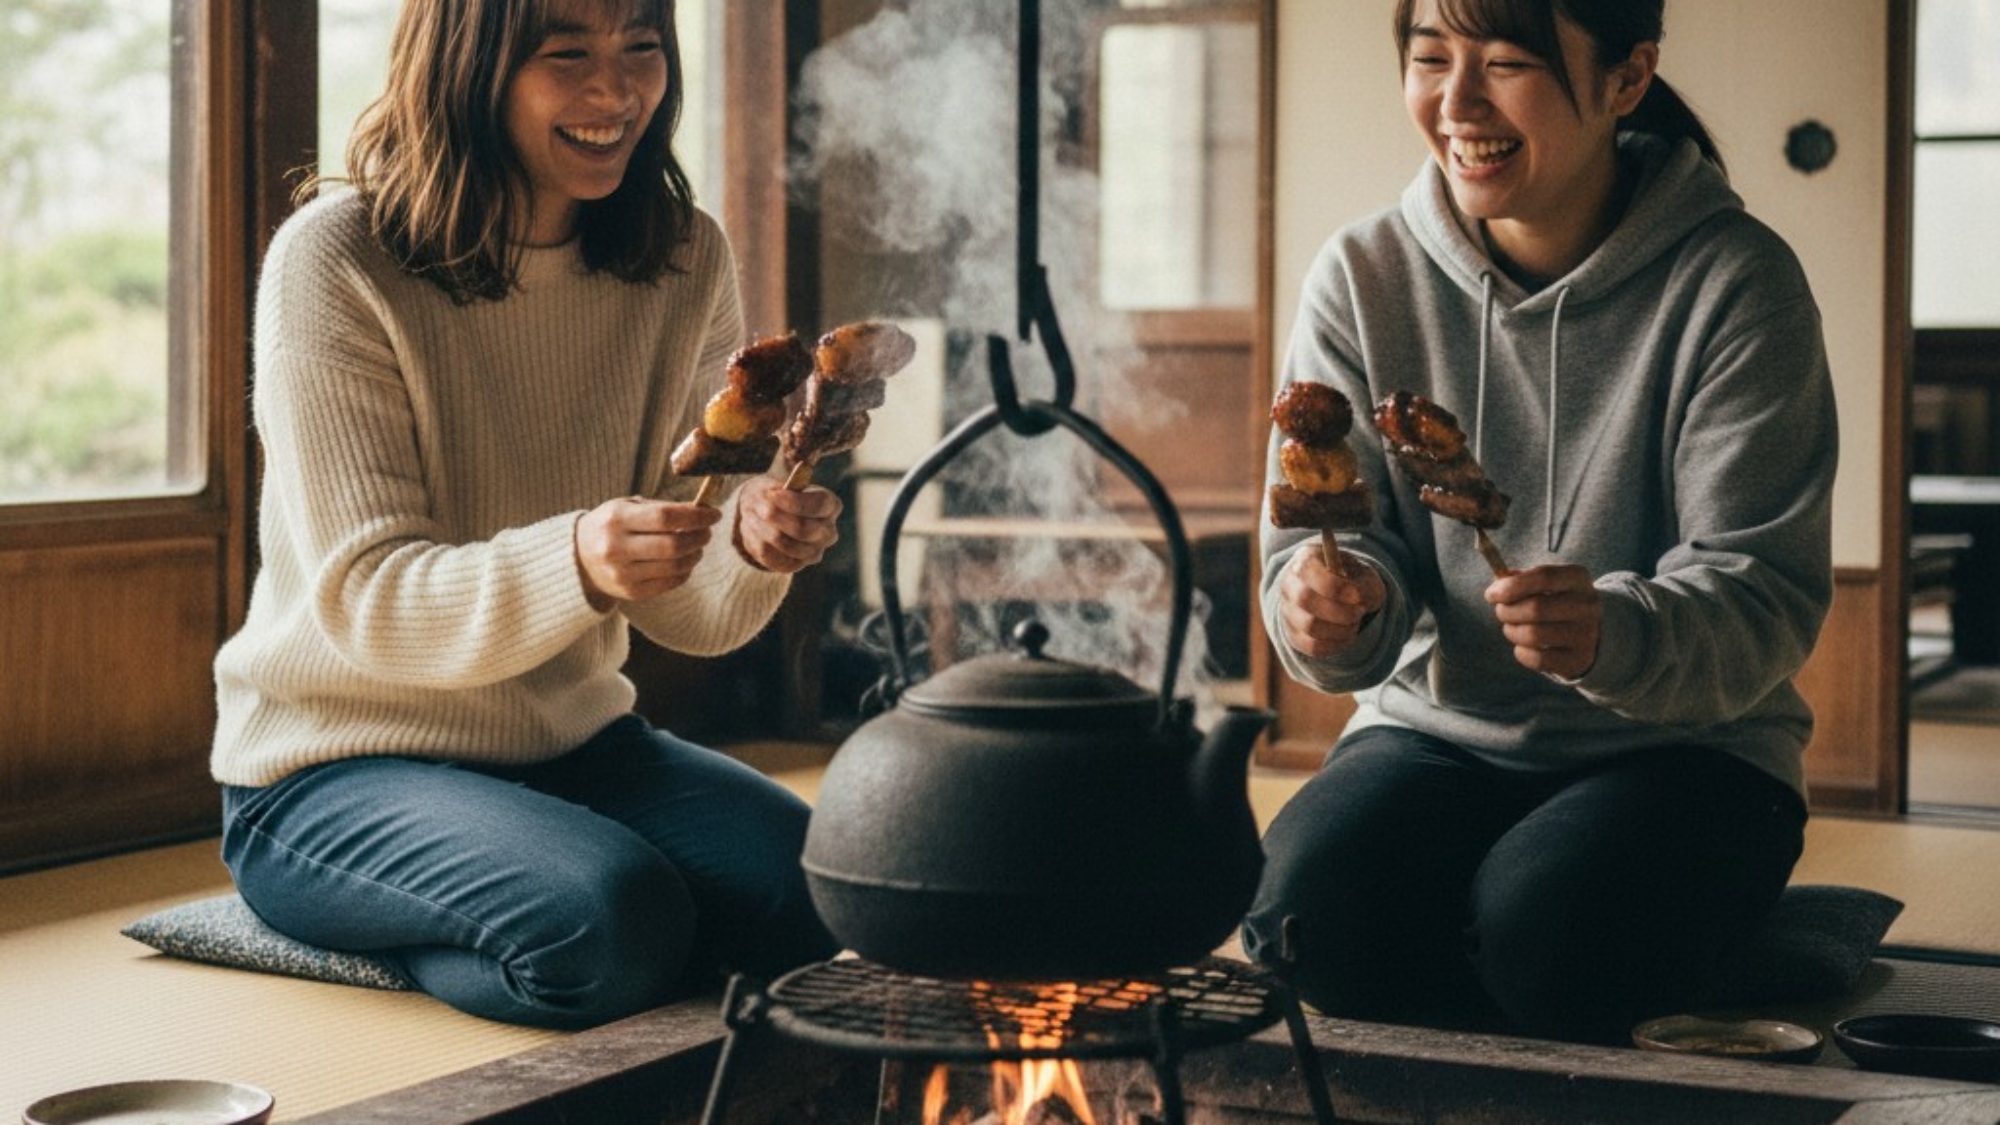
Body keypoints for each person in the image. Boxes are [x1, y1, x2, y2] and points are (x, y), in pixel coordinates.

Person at [210, 0, 841, 1030]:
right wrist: (582, 560)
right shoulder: (336, 259)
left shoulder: (682, 256)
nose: (616, 90)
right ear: (468, 68)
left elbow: (690, 617)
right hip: (331, 769)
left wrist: (752, 550)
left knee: (817, 894)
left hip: (573, 746)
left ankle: (541, 896)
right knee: (611, 924)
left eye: (641, 46)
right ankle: (346, 934)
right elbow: (366, 599)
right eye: (567, 56)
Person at [1244, 0, 1836, 1045]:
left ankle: (1756, 936)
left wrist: (1618, 631)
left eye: (1507, 62)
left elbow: (1763, 589)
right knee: (1301, 926)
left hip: (1687, 749)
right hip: (1438, 734)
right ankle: (1534, 928)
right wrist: (1332, 603)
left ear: (1626, 76)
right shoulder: (1363, 273)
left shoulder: (1736, 282)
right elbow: (1316, 533)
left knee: (1550, 940)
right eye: (1429, 57)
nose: (1455, 101)